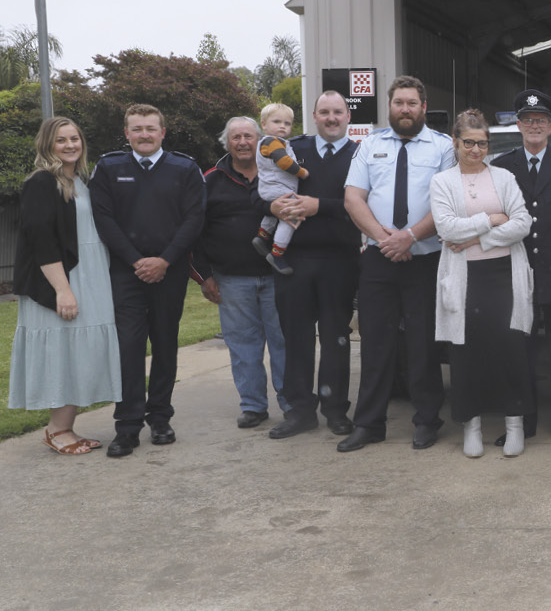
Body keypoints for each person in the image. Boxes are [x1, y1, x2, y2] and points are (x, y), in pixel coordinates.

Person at [338, 75, 456, 452]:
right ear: (389, 107)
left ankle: (427, 420)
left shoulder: (442, 148)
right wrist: (386, 239)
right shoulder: (369, 146)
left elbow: (448, 203)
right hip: (378, 259)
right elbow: (354, 198)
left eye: (411, 103)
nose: (404, 109)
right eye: (398, 103)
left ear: (423, 108)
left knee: (423, 344)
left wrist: (411, 236)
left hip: (425, 258)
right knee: (375, 342)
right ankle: (369, 424)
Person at [92, 103, 205, 458]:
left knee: (166, 344)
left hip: (168, 273)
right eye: (137, 129)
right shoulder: (109, 167)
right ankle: (126, 427)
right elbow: (104, 219)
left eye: (150, 128)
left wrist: (165, 260)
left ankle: (160, 419)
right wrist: (137, 260)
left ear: (162, 133)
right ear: (126, 133)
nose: (144, 134)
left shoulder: (185, 168)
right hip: (125, 273)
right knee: (128, 348)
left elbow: (194, 219)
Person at [8, 117, 121, 454]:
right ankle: (57, 430)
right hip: (62, 280)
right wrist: (63, 290)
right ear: (47, 145)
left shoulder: (79, 180)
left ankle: (66, 426)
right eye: (61, 140)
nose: (70, 145)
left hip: (91, 275)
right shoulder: (42, 182)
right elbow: (40, 240)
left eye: (75, 138)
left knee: (79, 352)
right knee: (63, 351)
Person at [431, 109, 535, 459]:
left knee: (510, 350)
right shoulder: (442, 182)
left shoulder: (503, 177)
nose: (477, 150)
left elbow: (522, 224)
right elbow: (446, 229)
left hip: (505, 276)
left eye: (483, 143)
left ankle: (514, 425)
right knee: (467, 355)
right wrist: (491, 219)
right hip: (465, 280)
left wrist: (478, 239)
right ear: (455, 142)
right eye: (469, 143)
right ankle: (471, 426)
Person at [259, 91, 360, 439]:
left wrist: (320, 206)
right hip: (293, 261)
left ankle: (335, 410)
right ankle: (299, 411)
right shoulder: (291, 148)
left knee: (336, 338)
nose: (331, 118)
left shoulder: (361, 154)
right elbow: (264, 186)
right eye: (324, 112)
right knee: (295, 338)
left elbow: (369, 203)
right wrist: (270, 209)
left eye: (338, 112)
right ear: (314, 117)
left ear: (348, 117)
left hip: (340, 260)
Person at [492, 89, 551, 447]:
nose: (535, 127)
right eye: (528, 121)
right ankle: (524, 424)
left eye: (541, 121)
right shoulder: (501, 167)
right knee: (519, 356)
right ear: (519, 125)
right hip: (515, 276)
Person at [192, 116, 289, 430]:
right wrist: (204, 276)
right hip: (232, 280)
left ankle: (292, 404)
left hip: (279, 277)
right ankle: (253, 406)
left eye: (249, 136)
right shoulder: (210, 180)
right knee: (243, 347)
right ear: (227, 143)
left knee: (284, 343)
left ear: (260, 140)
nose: (243, 142)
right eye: (236, 137)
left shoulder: (278, 174)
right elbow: (194, 231)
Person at [250, 102, 310, 275]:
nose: (283, 126)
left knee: (275, 212)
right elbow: (284, 162)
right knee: (292, 217)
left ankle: (262, 236)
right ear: (264, 124)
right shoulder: (272, 142)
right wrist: (302, 172)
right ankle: (277, 253)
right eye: (277, 122)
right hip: (277, 187)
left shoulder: (274, 142)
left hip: (270, 188)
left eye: (287, 123)